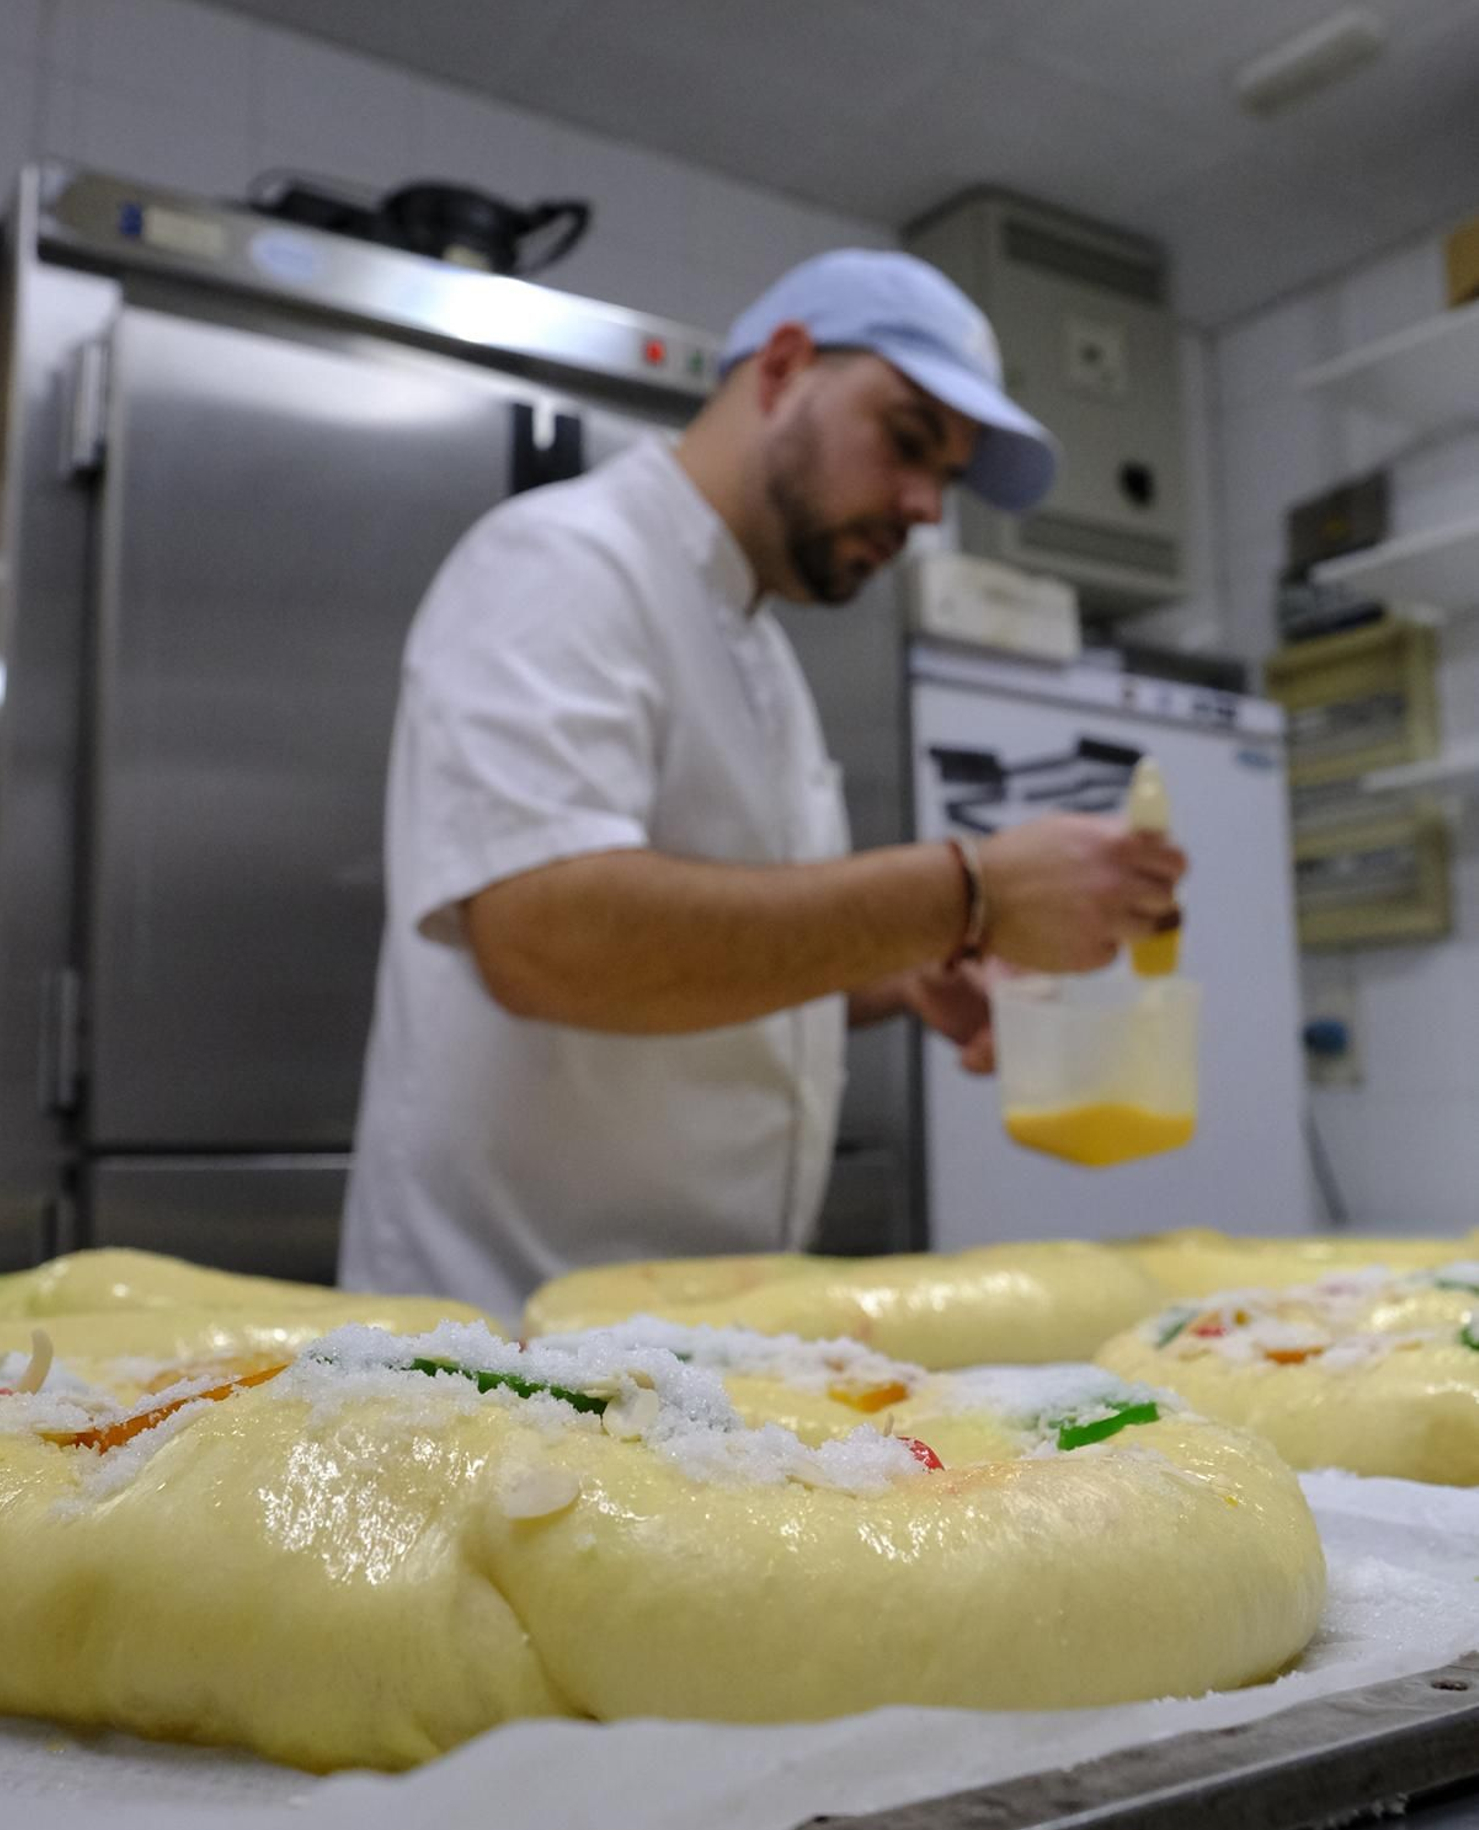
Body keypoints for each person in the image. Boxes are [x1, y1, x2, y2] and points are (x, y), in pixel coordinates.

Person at [340, 250, 1185, 1319]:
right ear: (784, 368)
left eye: (948, 476)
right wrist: (965, 892)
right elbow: (541, 931)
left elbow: (705, 945)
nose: (926, 505)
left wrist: (899, 969)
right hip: (507, 1337)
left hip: (692, 1332)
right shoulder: (562, 563)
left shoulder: (759, 652)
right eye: (909, 438)